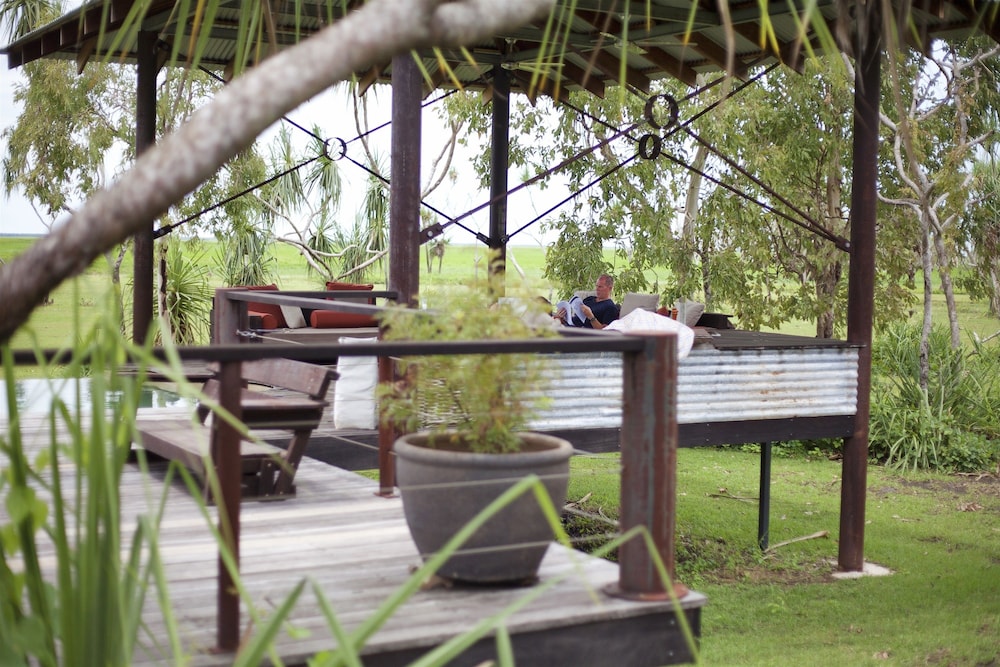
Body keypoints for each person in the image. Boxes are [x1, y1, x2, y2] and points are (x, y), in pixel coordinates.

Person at [555, 274, 620, 329]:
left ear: (610, 288)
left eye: (600, 287)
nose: (597, 289)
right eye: (596, 286)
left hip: (579, 333)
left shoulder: (610, 307)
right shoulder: (590, 299)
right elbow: (576, 319)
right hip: (569, 326)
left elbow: (604, 332)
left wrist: (591, 316)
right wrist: (562, 317)